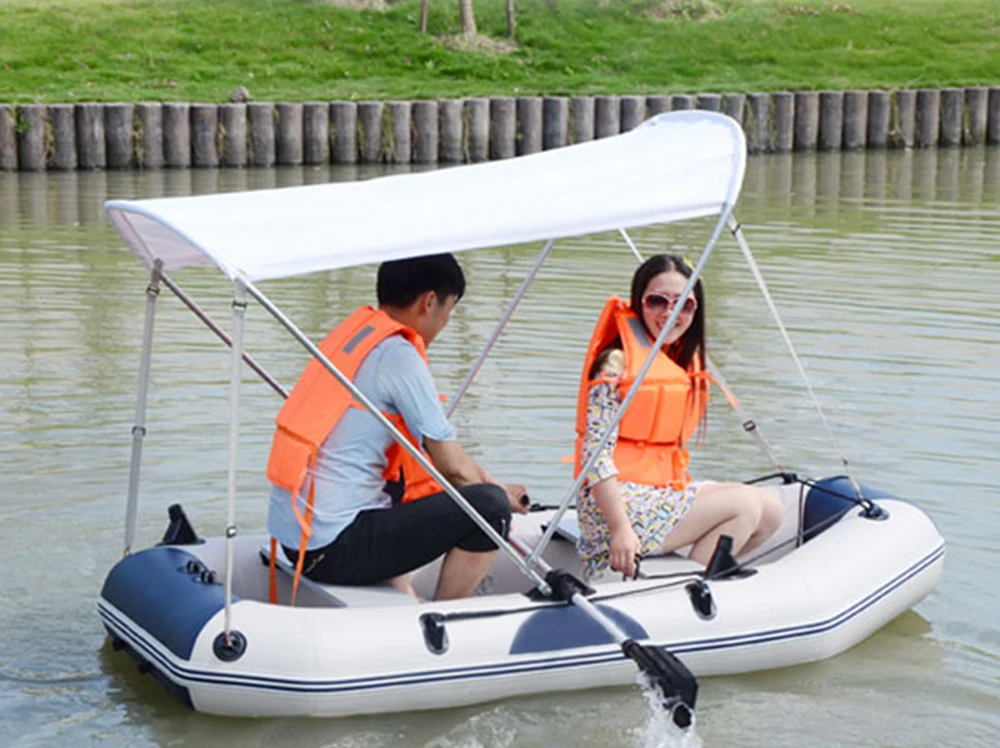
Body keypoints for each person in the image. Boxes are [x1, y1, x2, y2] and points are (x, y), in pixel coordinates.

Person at [266, 253, 528, 601]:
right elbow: (451, 464)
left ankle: (399, 588)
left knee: (412, 477)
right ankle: (445, 616)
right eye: (448, 314)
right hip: (332, 548)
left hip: (296, 541)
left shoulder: (357, 337)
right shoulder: (397, 355)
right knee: (490, 508)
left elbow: (441, 455)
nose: (443, 325)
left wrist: (489, 482)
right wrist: (496, 494)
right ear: (429, 302)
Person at [573, 253, 784, 579]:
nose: (669, 313)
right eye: (657, 301)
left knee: (771, 510)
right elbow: (595, 455)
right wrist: (620, 529)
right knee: (743, 504)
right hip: (612, 505)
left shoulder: (675, 360)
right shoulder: (615, 364)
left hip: (656, 493)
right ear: (638, 302)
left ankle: (695, 576)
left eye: (683, 304)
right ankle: (687, 588)